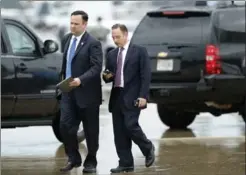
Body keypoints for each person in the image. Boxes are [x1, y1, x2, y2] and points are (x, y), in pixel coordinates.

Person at [102, 24, 155, 173]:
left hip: (133, 96)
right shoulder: (111, 54)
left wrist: (143, 96)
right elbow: (107, 76)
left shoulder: (139, 51)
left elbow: (146, 75)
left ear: (126, 35)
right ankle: (125, 163)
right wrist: (106, 76)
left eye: (117, 37)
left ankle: (147, 147)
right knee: (119, 132)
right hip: (117, 96)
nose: (115, 39)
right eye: (113, 37)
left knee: (131, 125)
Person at [59, 10, 103, 174]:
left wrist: (81, 80)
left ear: (84, 24)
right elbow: (65, 63)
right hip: (67, 92)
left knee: (91, 130)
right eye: (71, 23)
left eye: (76, 24)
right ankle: (73, 158)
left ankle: (91, 160)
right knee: (65, 126)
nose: (72, 26)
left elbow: (96, 67)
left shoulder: (93, 43)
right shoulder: (66, 39)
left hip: (87, 94)